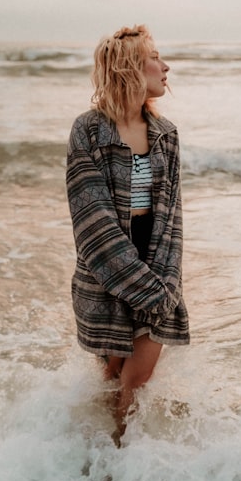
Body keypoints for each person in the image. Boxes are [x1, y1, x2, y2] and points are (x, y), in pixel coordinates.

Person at [66, 25, 190, 438]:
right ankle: (100, 459)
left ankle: (125, 457)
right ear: (130, 67)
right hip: (104, 275)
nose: (166, 66)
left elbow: (171, 216)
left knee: (137, 380)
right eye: (156, 57)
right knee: (109, 378)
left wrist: (164, 287)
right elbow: (91, 218)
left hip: (156, 266)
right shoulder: (89, 131)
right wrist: (135, 284)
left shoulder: (166, 135)